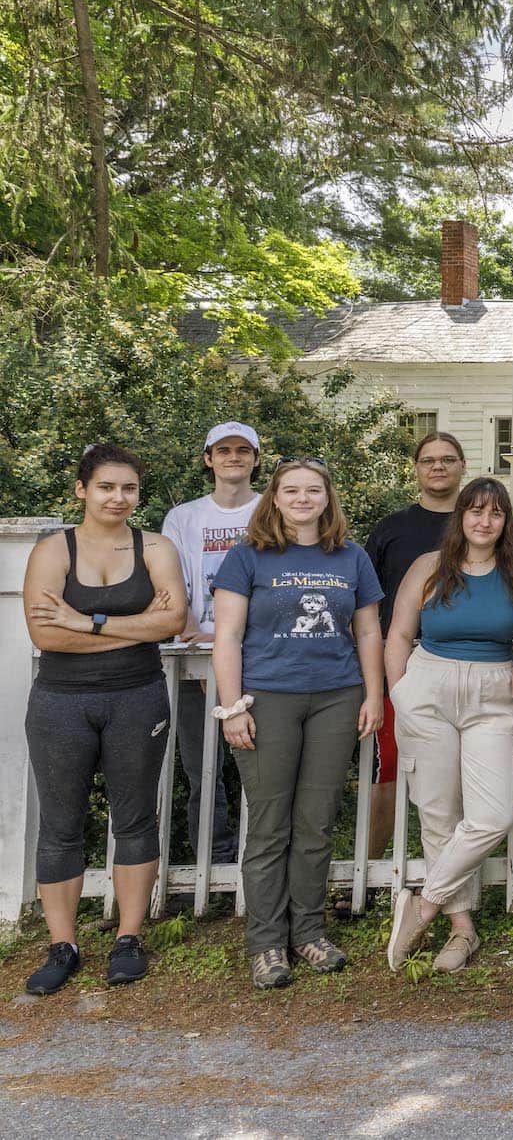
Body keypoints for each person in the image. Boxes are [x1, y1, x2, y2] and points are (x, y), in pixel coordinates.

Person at [212, 456, 385, 990]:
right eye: (292, 491)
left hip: (337, 698)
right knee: (269, 826)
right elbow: (227, 638)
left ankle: (309, 932)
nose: (304, 499)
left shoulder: (351, 557)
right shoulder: (248, 557)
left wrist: (374, 695)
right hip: (267, 699)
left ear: (328, 499)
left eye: (314, 490)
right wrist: (233, 706)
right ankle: (266, 943)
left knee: (315, 822)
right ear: (275, 498)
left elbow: (369, 634)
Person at [21, 445, 188, 995]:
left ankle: (128, 938)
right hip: (61, 700)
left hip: (137, 698)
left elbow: (174, 620)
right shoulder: (53, 549)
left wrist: (86, 622)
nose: (118, 498)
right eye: (107, 487)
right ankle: (62, 945)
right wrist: (133, 623)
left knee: (136, 818)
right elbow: (45, 635)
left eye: (129, 489)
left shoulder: (155, 546)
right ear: (82, 490)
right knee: (61, 825)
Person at [383, 478, 513, 974]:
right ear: (461, 518)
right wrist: (399, 695)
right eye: (475, 512)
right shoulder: (430, 568)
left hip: (493, 694)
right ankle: (461, 929)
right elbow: (399, 633)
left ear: (505, 522)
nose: (484, 521)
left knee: (493, 815)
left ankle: (422, 905)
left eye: (494, 514)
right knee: (438, 813)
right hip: (428, 685)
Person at [361, 431, 469, 864]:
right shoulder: (391, 528)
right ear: (416, 468)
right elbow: (364, 601)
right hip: (399, 663)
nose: (438, 467)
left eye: (447, 459)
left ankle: (452, 871)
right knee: (387, 769)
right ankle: (368, 871)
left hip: (464, 662)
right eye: (428, 460)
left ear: (462, 465)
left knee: (458, 774)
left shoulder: (480, 522)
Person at [160, 420, 260, 868]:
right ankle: (211, 860)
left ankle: (256, 859)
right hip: (194, 654)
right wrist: (199, 643)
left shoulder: (269, 512)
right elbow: (171, 586)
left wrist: (229, 644)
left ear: (256, 459)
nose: (233, 457)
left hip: (257, 655)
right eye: (223, 451)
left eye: (243, 450)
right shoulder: (184, 518)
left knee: (261, 768)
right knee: (202, 769)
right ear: (208, 459)